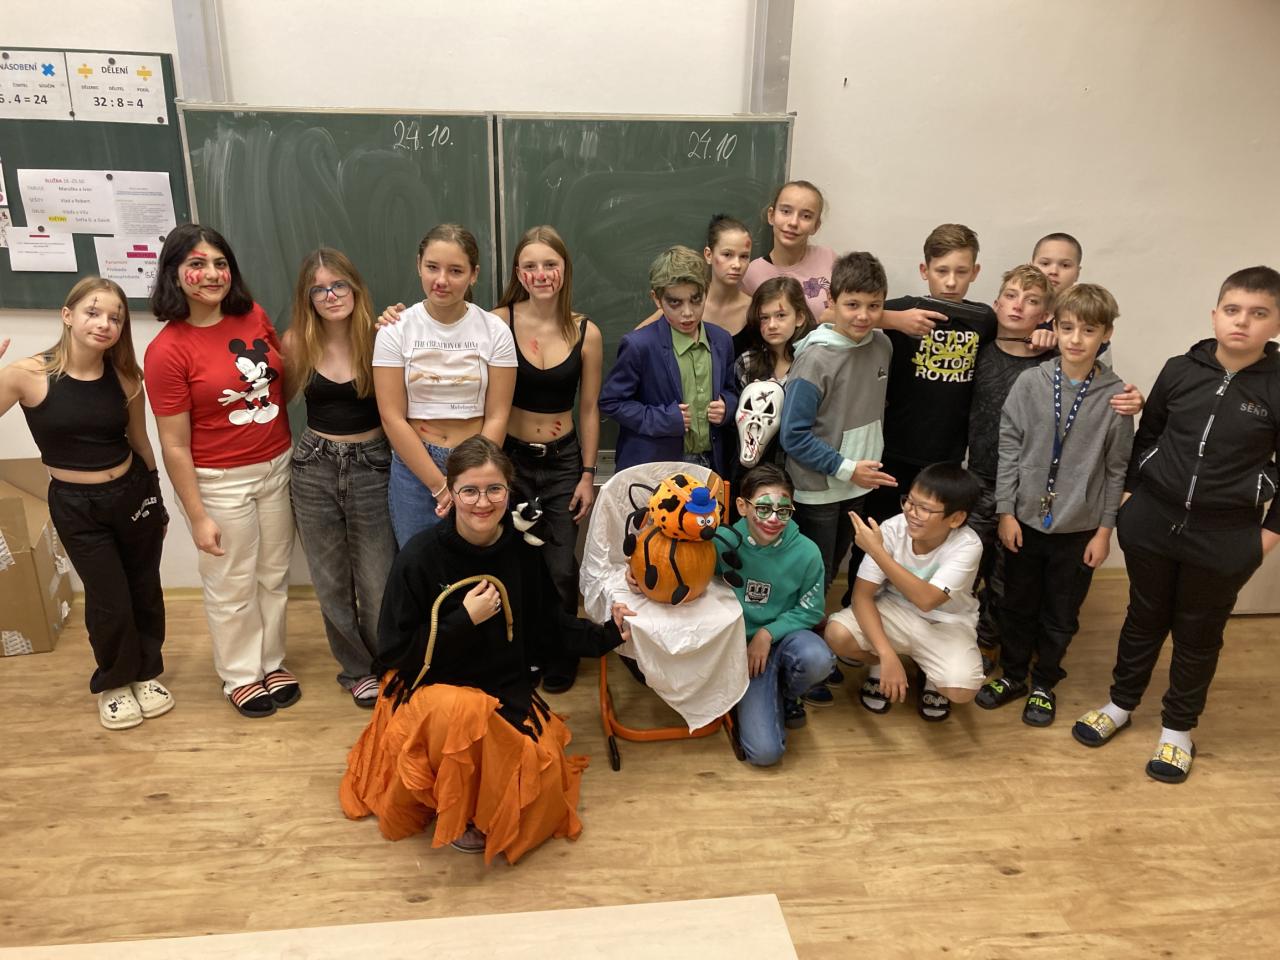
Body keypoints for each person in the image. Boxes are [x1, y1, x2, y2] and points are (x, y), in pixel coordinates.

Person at [339, 437, 625, 864]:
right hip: (434, 694)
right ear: (451, 493)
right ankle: (454, 795)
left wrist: (610, 634)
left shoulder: (522, 553)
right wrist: (463, 620)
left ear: (509, 492)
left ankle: (477, 790)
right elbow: (396, 654)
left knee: (539, 787)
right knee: (462, 714)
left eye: (494, 490)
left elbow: (550, 627)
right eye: (470, 490)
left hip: (500, 687)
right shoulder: (420, 557)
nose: (483, 502)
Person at [1073, 266, 1280, 783]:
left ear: (1276, 323)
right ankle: (1121, 704)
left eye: (1258, 313)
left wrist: (1264, 538)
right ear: (1215, 315)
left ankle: (1177, 729)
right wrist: (1129, 503)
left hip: (1226, 536)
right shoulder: (1180, 369)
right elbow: (1149, 435)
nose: (1242, 322)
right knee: (1143, 618)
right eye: (1232, 310)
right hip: (1153, 521)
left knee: (1198, 633)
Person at [0, 279, 170, 730]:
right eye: (93, 312)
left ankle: (146, 673)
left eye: (115, 317)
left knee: (144, 589)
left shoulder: (127, 378)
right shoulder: (26, 375)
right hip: (76, 504)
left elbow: (141, 442)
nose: (104, 323)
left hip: (132, 495)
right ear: (68, 315)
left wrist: (156, 499)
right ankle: (115, 682)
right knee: (109, 598)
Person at [146, 224, 297, 719]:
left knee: (272, 575)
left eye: (220, 263)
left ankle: (271, 661)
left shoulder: (253, 316)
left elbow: (279, 378)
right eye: (197, 264)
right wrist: (196, 515)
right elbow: (173, 443)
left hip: (276, 465)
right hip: (220, 481)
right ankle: (240, 674)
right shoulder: (167, 350)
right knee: (232, 582)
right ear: (174, 274)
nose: (211, 274)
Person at [977, 284, 1135, 726]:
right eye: (1067, 328)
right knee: (1016, 604)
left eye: (1089, 330)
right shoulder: (1031, 382)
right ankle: (1013, 675)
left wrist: (1104, 531)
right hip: (1024, 521)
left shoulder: (1117, 397)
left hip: (1080, 530)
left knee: (1061, 613)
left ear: (1106, 335)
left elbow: (1117, 470)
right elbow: (1009, 449)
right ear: (1055, 328)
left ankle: (1045, 682)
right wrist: (1006, 511)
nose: (1076, 339)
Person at [843, 224, 996, 605]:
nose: (951, 281)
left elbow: (1021, 329)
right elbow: (838, 313)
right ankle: (856, 602)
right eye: (942, 271)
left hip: (946, 454)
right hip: (893, 448)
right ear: (925, 270)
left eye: (961, 271)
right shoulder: (904, 308)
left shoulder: (983, 319)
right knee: (878, 529)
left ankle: (908, 605)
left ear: (975, 272)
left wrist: (1041, 334)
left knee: (929, 537)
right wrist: (895, 321)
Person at [490, 225, 603, 693]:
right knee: (513, 560)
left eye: (550, 264)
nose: (541, 274)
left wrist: (588, 474)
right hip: (510, 460)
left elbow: (589, 408)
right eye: (530, 266)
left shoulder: (586, 332)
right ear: (518, 273)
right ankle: (521, 649)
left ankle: (560, 649)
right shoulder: (497, 322)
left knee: (560, 564)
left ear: (564, 269)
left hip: (562, 462)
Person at [282, 248, 397, 709]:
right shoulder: (297, 343)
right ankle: (356, 669)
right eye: (319, 290)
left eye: (338, 285)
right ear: (307, 298)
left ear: (355, 287)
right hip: (314, 465)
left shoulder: (381, 337)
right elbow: (271, 405)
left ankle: (386, 663)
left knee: (378, 580)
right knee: (330, 581)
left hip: (373, 464)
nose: (330, 296)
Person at [779, 252, 895, 706]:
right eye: (852, 305)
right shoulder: (815, 359)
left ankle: (817, 648)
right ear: (831, 301)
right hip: (819, 490)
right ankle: (801, 664)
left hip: (858, 485)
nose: (863, 315)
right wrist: (847, 467)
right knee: (815, 577)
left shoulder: (882, 346)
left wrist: (858, 473)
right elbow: (793, 436)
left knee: (834, 572)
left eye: (873, 305)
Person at [372, 223, 516, 547]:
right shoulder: (395, 329)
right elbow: (391, 416)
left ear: (474, 274)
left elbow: (498, 414)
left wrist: (473, 479)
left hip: (478, 460)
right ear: (418, 265)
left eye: (455, 271)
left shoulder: (495, 331)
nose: (441, 280)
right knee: (420, 562)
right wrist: (440, 486)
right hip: (415, 466)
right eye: (432, 267)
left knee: (478, 563)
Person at [823, 463, 984, 722]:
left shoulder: (968, 545)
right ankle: (881, 665)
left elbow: (927, 600)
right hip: (893, 610)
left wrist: (877, 551)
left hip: (945, 623)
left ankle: (931, 674)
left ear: (956, 519)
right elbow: (861, 596)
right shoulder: (892, 529)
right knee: (837, 634)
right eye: (910, 502)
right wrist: (885, 654)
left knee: (961, 690)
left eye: (925, 509)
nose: (912, 513)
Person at [717, 464, 832, 761]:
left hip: (782, 640)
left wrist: (767, 634)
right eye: (764, 508)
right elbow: (681, 566)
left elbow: (811, 610)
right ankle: (755, 694)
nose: (773, 519)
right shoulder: (721, 542)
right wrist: (636, 576)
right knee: (765, 754)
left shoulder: (807, 552)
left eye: (784, 511)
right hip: (738, 648)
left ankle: (787, 693)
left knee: (818, 658)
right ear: (742, 506)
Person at [600, 245, 739, 475]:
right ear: (657, 299)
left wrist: (727, 407)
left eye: (696, 300)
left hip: (709, 463)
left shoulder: (721, 340)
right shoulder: (639, 345)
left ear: (706, 291)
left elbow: (731, 390)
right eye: (675, 303)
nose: (688, 312)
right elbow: (611, 402)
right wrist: (663, 419)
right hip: (656, 467)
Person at [638, 215, 754, 353]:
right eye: (727, 255)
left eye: (744, 256)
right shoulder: (682, 304)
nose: (737, 265)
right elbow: (635, 343)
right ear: (708, 255)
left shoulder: (755, 310)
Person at [741, 180, 835, 323]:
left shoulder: (829, 259)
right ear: (771, 215)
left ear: (816, 226)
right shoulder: (751, 275)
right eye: (786, 211)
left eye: (806, 216)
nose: (793, 222)